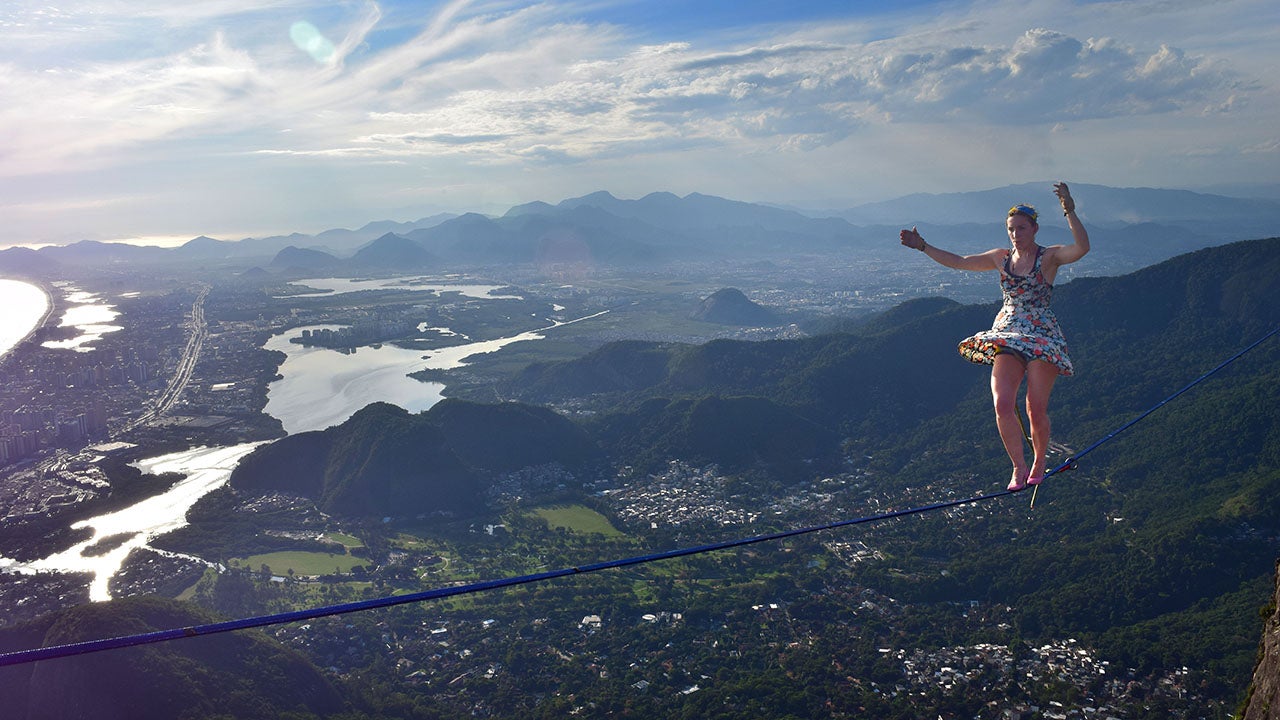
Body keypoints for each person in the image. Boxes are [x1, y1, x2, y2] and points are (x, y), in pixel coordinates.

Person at [899, 182, 1090, 491]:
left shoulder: (1049, 257)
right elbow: (959, 262)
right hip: (1007, 332)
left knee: (1035, 408)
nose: (1016, 234)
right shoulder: (1000, 258)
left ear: (1035, 229)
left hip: (1041, 334)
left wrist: (1069, 209)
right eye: (1011, 229)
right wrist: (923, 246)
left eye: (1021, 228)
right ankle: (1018, 466)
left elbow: (1081, 248)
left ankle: (1040, 460)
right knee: (1002, 403)